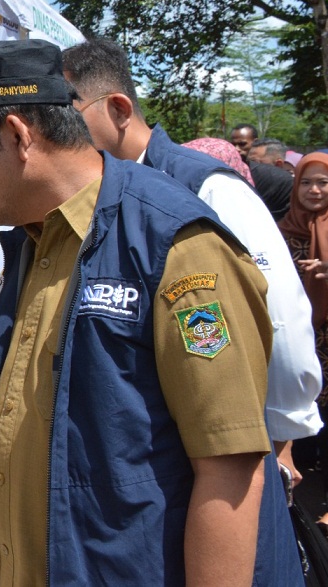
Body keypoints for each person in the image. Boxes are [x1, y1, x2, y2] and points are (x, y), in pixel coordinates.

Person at [0, 39, 299, 585]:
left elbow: (229, 469)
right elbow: (11, 446)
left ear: (17, 135)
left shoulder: (172, 246)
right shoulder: (30, 244)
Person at [64, 39, 322, 482]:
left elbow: (279, 317)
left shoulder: (207, 188)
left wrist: (281, 439)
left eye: (68, 114)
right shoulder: (96, 195)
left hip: (233, 455)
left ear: (119, 110)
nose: (56, 130)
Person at [280, 152, 328, 525]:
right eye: (307, 182)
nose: (314, 190)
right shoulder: (282, 230)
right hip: (300, 338)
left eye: (323, 183)